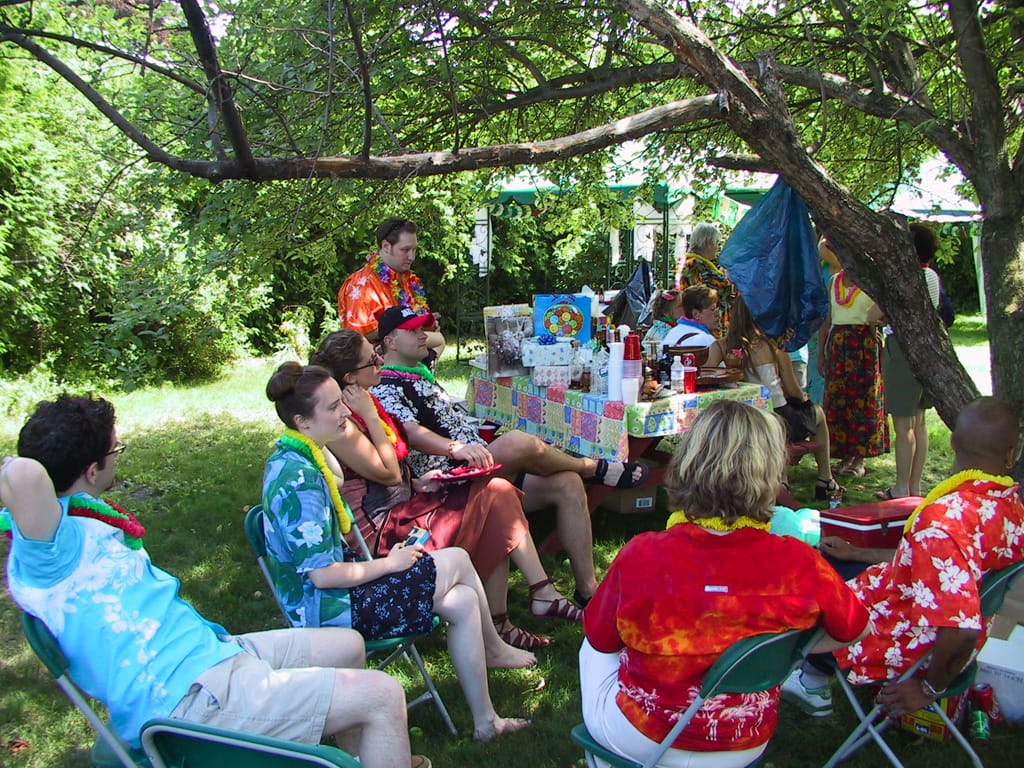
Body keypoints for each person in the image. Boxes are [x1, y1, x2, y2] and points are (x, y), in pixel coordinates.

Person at [0, 395, 426, 768]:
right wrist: (45, 454)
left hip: (210, 653)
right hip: (186, 701)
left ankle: (360, 759)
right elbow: (22, 475)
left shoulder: (78, 521)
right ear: (92, 470)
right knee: (383, 694)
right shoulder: (50, 551)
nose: (119, 457)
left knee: (348, 644)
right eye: (116, 450)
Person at [580, 401, 869, 767]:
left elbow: (602, 638)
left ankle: (604, 759)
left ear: (688, 464)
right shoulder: (800, 563)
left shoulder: (644, 554)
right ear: (770, 472)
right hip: (743, 740)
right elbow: (857, 628)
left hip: (646, 735)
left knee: (593, 648)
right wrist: (788, 648)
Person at [262, 362, 531, 741]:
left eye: (342, 403)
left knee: (464, 600)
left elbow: (337, 482)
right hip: (329, 609)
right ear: (302, 421)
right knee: (455, 560)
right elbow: (322, 576)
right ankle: (494, 648)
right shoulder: (300, 479)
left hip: (343, 590)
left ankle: (487, 722)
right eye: (333, 408)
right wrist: (389, 565)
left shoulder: (302, 455)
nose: (344, 413)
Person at [310, 329, 582, 651]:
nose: (379, 359)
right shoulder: (343, 424)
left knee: (495, 491)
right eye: (371, 359)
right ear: (349, 377)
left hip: (403, 505)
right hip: (385, 535)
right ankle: (523, 608)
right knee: (495, 496)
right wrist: (370, 415)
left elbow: (391, 473)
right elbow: (386, 474)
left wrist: (418, 482)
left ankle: (511, 615)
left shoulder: (357, 405)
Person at [370, 306, 648, 609]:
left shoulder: (420, 368)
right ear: (390, 341)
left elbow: (437, 341)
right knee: (517, 442)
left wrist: (419, 333)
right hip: (449, 481)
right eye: (412, 331)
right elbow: (409, 431)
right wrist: (455, 448)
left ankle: (588, 590)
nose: (423, 335)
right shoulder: (386, 384)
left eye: (422, 327)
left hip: (477, 464)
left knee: (567, 484)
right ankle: (592, 468)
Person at [784, 397, 1024, 719]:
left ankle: (812, 682)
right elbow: (938, 566)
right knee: (837, 564)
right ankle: (812, 673)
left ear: (952, 443)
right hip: (918, 616)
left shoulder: (943, 523)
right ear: (1012, 456)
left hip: (905, 639)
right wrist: (860, 553)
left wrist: (929, 689)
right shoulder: (1008, 507)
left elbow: (960, 630)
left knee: (805, 590)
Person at [707, 295, 842, 501]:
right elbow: (794, 390)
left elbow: (706, 379)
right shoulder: (774, 347)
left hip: (738, 419)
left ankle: (785, 478)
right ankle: (825, 478)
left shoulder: (720, 346)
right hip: (776, 419)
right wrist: (803, 396)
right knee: (817, 413)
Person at [876, 223, 944, 500]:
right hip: (927, 350)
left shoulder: (904, 277)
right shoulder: (931, 276)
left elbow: (877, 313)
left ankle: (902, 486)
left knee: (903, 426)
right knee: (920, 422)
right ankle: (914, 486)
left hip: (903, 350)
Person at [819, 238, 888, 477]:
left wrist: (876, 326)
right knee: (838, 400)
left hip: (863, 346)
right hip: (839, 345)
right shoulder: (834, 281)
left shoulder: (871, 283)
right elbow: (827, 320)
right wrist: (821, 354)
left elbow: (884, 314)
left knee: (863, 400)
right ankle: (844, 454)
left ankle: (859, 458)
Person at [337, 218, 445, 355]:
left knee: (438, 339)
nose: (411, 257)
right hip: (376, 366)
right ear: (386, 246)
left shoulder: (407, 279)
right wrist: (404, 330)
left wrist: (423, 322)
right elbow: (356, 336)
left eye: (414, 250)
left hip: (407, 359)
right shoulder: (362, 284)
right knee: (438, 340)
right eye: (405, 250)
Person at [675, 222, 735, 332]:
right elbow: (717, 290)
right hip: (704, 324)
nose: (718, 247)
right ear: (708, 243)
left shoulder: (688, 262)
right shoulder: (695, 264)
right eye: (717, 243)